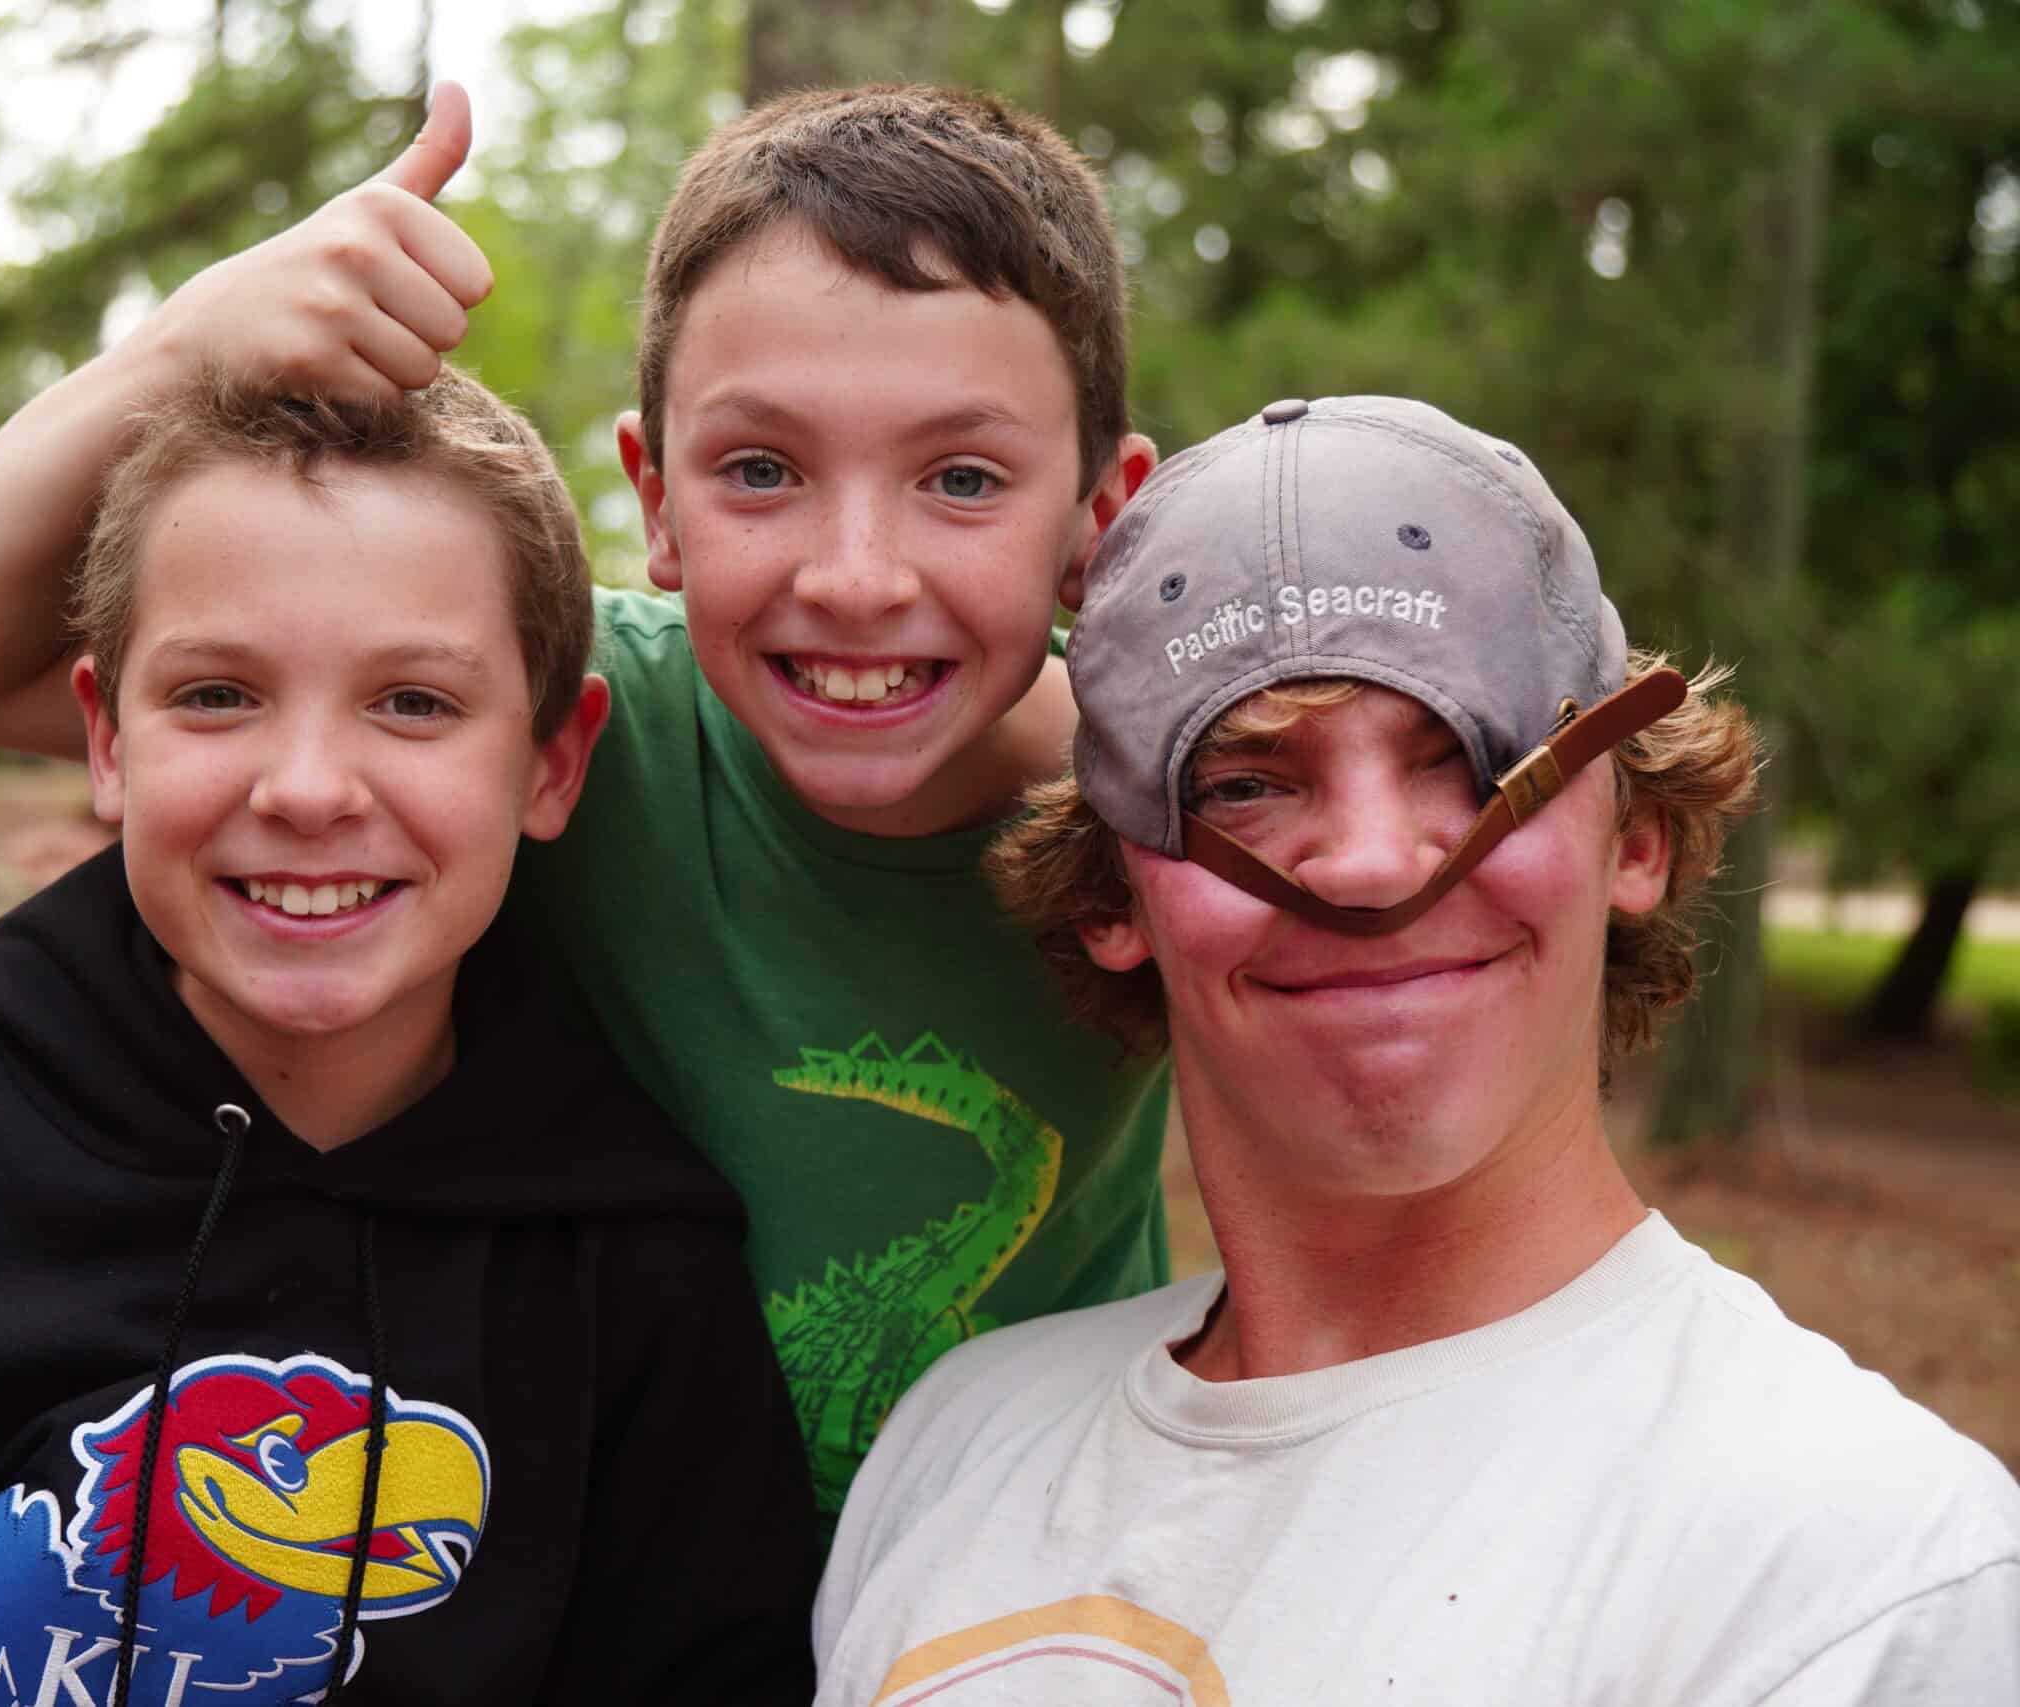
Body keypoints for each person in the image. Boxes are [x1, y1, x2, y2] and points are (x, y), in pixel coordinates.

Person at [0, 80, 1171, 1523]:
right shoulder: (548, 718)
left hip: (1029, 1583)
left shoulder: (1177, 792)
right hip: (603, 1595)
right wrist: (185, 342)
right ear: (654, 498)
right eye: (760, 470)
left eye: (962, 477)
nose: (855, 575)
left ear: (1100, 518)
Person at [0, 368, 816, 1706]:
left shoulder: (636, 1281)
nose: (304, 789)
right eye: (219, 694)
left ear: (552, 761)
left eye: (414, 701)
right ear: (105, 736)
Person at [810, 396, 2020, 1703]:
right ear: (1114, 899)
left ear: (1633, 837)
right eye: (1245, 782)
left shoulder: (1866, 1580)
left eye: (1467, 757)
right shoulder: (954, 1449)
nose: (1380, 856)